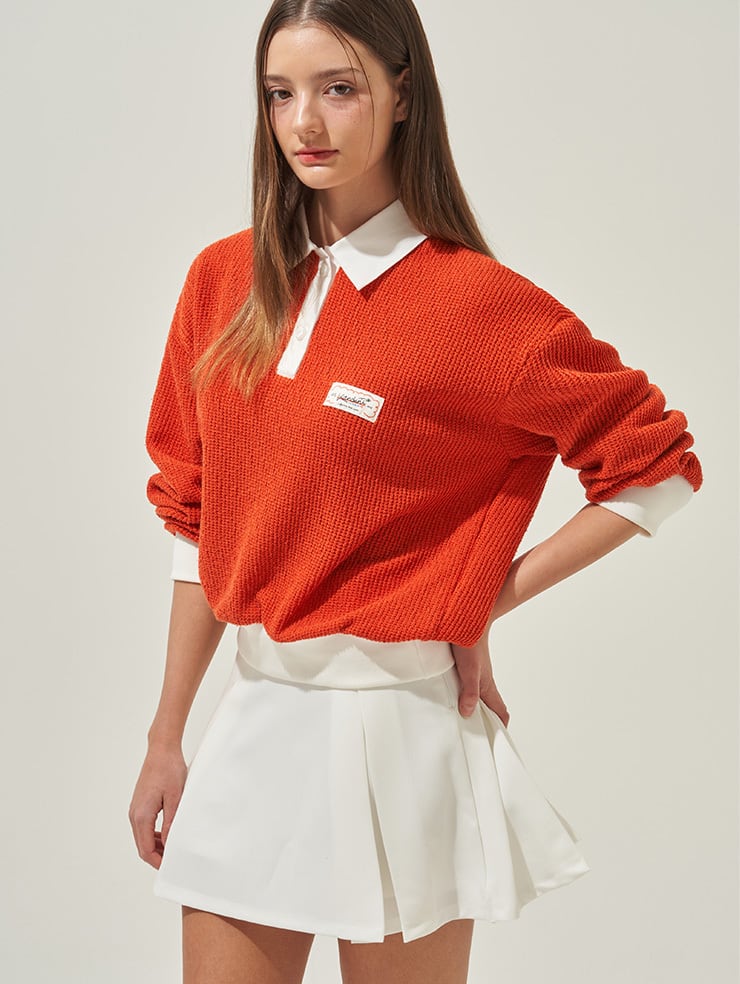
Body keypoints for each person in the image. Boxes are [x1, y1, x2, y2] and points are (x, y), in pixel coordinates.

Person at [128, 1, 702, 981]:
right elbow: (197, 518)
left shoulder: (477, 305)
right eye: (279, 94)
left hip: (399, 731)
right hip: (254, 715)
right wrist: (166, 733)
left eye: (337, 89)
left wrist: (476, 597)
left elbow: (658, 466)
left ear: (402, 95)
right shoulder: (223, 283)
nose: (305, 122)